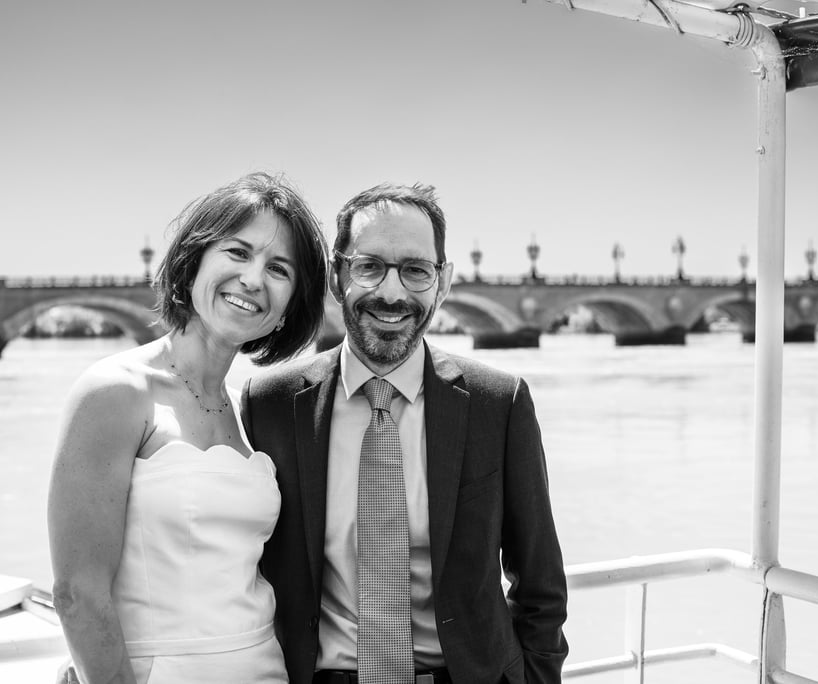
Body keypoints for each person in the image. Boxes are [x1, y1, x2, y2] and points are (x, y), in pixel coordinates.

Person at [241, 183, 568, 684]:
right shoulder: (269, 404)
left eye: (415, 270)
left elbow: (540, 584)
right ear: (336, 276)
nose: (392, 294)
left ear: (444, 282)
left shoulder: (498, 404)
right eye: (369, 266)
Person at [48, 172, 329, 684]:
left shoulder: (252, 410)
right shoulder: (116, 393)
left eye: (279, 269)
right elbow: (77, 594)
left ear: (291, 305)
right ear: (194, 257)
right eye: (238, 252)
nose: (253, 279)